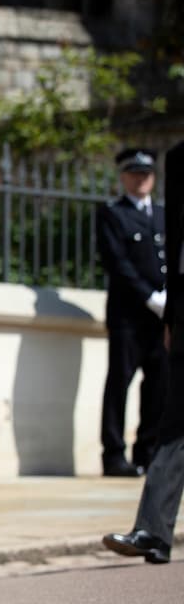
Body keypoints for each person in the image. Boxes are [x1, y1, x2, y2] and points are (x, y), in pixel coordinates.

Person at [103, 139, 184, 563]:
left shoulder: (161, 206)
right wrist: (168, 312)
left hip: (166, 315)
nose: (141, 178)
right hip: (156, 316)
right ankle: (152, 529)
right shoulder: (179, 158)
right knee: (172, 424)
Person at [96, 148, 168, 477]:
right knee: (119, 382)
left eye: (146, 174)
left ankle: (147, 453)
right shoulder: (113, 213)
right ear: (124, 177)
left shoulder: (164, 214)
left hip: (162, 317)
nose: (141, 180)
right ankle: (114, 456)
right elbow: (117, 262)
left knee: (159, 385)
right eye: (135, 173)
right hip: (128, 316)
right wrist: (149, 297)